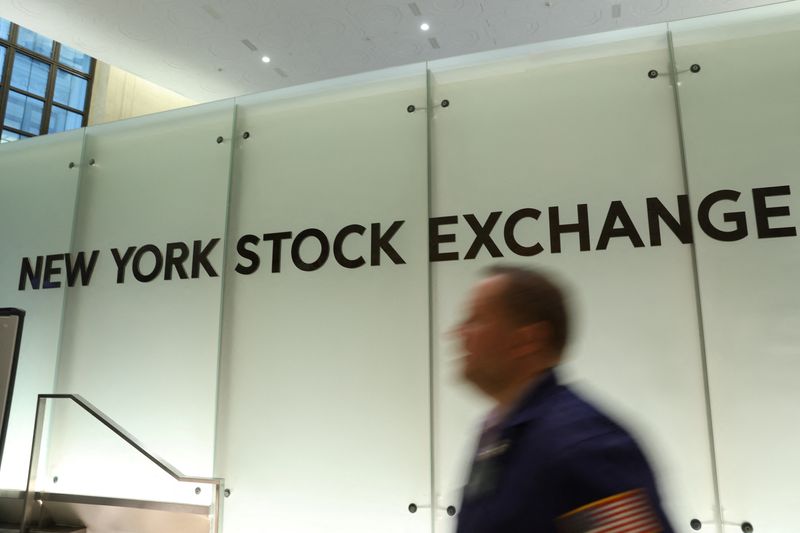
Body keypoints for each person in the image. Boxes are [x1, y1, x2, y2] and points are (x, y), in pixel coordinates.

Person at [454, 265, 674, 533]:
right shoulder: (499, 435)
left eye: (476, 320)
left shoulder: (584, 447)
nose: (458, 333)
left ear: (527, 340)